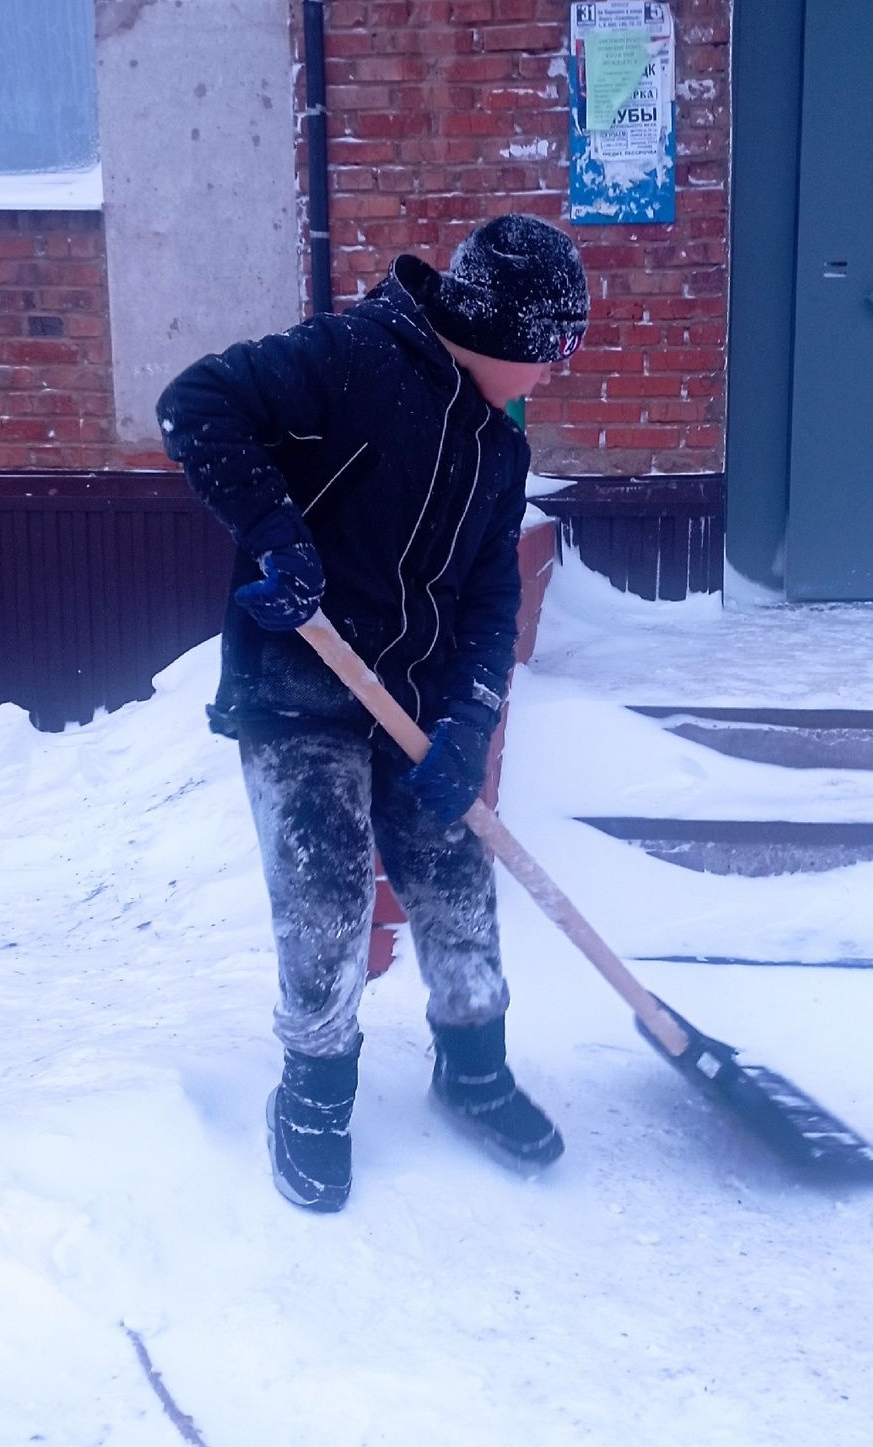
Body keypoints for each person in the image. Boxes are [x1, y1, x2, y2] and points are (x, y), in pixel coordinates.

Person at [157, 214, 590, 1213]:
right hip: (299, 679)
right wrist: (276, 537)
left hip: (415, 697)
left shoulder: (498, 450)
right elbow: (199, 404)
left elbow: (489, 599)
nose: (558, 370)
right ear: (509, 332)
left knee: (454, 870)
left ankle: (473, 1066)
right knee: (328, 888)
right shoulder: (353, 359)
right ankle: (313, 1088)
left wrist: (472, 720)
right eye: (557, 346)